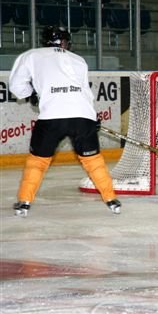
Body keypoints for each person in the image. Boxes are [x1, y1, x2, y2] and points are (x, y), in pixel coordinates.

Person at [9, 26, 121, 217]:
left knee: (38, 161)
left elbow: (17, 88)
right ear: (65, 41)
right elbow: (84, 91)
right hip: (82, 115)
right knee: (93, 160)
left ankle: (24, 202)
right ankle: (112, 200)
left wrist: (32, 94)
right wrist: (92, 117)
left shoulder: (31, 55)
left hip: (52, 116)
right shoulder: (78, 60)